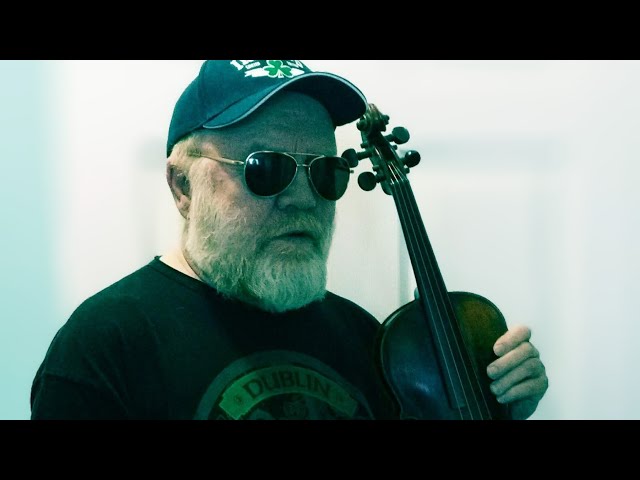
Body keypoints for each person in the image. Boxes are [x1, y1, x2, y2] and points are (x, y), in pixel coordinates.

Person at [30, 60, 548, 420]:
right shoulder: (103, 346)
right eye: (266, 168)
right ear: (183, 186)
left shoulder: (370, 341)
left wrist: (494, 404)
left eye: (326, 171)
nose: (304, 198)